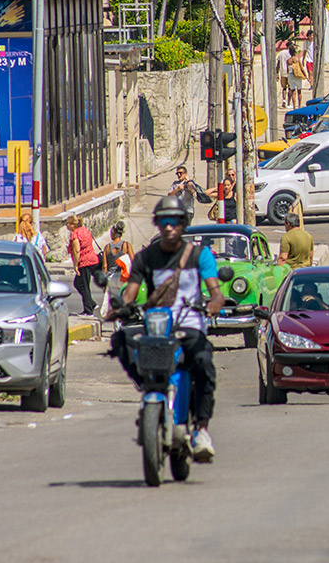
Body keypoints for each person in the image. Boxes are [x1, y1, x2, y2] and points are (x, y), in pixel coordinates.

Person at [108, 196, 224, 462]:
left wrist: (214, 303)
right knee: (121, 341)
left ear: (183, 224)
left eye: (175, 221)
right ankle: (145, 384)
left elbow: (214, 291)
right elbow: (131, 293)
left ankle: (202, 430)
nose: (169, 227)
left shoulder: (199, 255)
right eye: (164, 221)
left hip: (190, 325)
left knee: (203, 363)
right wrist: (120, 307)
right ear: (157, 225)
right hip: (158, 328)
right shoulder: (146, 258)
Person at [66, 215, 99, 315]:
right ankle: (92, 303)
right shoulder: (84, 230)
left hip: (84, 262)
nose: (66, 226)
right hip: (92, 259)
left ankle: (89, 310)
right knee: (77, 283)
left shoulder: (75, 234)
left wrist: (76, 265)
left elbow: (76, 250)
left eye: (67, 223)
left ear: (73, 224)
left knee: (84, 286)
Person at [276, 44, 292, 108]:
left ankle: (284, 100)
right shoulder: (290, 54)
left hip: (282, 72)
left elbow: (278, 64)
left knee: (284, 88)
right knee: (290, 88)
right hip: (289, 72)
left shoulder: (281, 53)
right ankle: (288, 102)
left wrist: (277, 73)